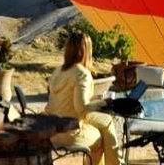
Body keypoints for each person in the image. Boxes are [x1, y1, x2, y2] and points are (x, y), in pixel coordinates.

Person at [46, 32, 123, 165]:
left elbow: (71, 103)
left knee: (106, 120)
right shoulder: (82, 74)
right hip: (70, 131)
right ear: (86, 51)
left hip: (52, 129)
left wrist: (98, 103)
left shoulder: (57, 71)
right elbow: (80, 108)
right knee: (100, 138)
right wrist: (103, 103)